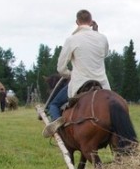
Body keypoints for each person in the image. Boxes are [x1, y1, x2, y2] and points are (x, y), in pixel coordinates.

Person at [43, 9, 111, 138]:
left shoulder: (72, 39)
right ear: (91, 22)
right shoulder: (102, 38)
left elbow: (61, 69)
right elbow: (105, 54)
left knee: (54, 104)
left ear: (77, 22)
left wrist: (71, 74)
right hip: (103, 85)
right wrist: (96, 32)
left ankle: (58, 122)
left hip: (80, 83)